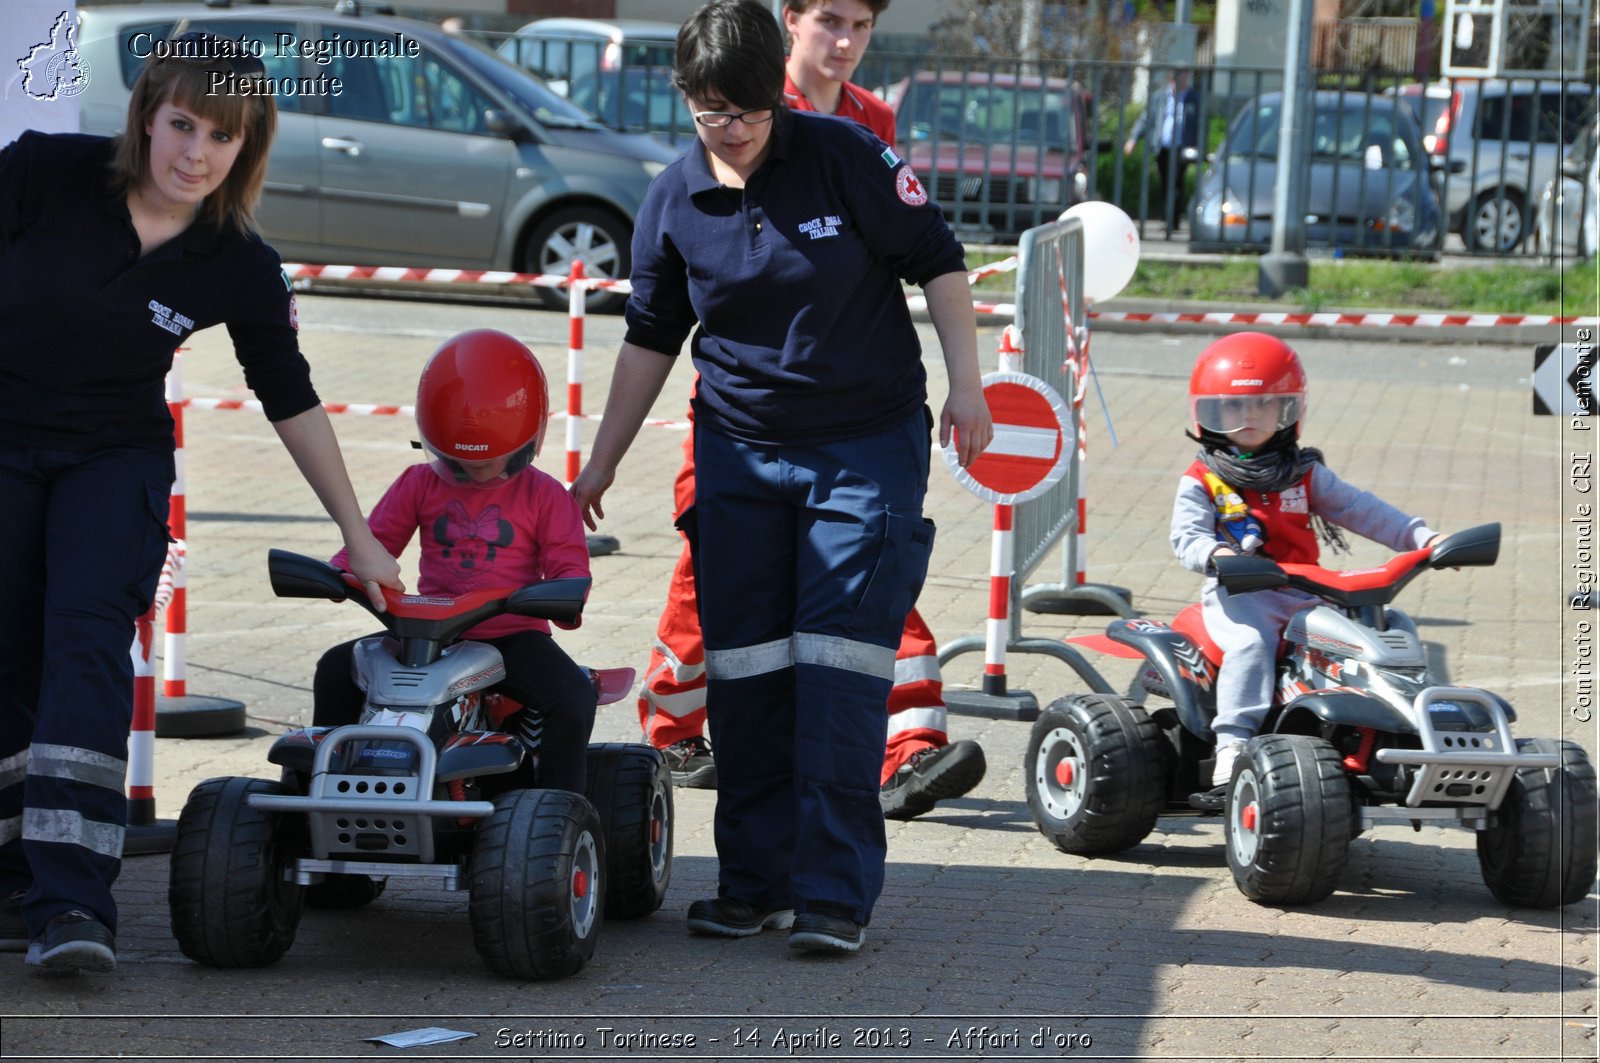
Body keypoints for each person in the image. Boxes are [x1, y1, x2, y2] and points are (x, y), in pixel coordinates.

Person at [572, 0, 992, 954]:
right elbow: (650, 335)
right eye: (715, 111)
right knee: (748, 668)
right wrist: (603, 457)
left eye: (754, 111)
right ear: (686, 99)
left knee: (839, 669)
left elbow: (940, 261)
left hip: (863, 444)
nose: (736, 130)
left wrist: (968, 388)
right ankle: (752, 882)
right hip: (740, 452)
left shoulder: (846, 157)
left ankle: (835, 895)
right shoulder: (673, 198)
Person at [0, 33, 403, 973]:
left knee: (86, 646)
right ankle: (14, 872)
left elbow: (290, 396)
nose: (195, 153)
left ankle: (72, 904)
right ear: (146, 115)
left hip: (114, 460)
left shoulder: (237, 261)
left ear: (246, 147)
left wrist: (360, 535)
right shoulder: (41, 175)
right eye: (182, 124)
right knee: (9, 648)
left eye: (222, 136)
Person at [311, 330, 596, 794]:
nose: (477, 472)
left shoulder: (545, 495)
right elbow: (372, 544)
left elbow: (569, 566)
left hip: (511, 636)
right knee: (335, 669)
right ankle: (316, 790)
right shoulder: (418, 483)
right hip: (425, 634)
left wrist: (562, 594)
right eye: (458, 462)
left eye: (492, 462)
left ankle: (563, 810)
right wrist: (342, 572)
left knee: (573, 696)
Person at [1170, 333, 1440, 800]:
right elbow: (1186, 537)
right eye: (1233, 407)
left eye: (1264, 404)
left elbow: (1361, 509)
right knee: (1252, 646)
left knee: (1385, 628)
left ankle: (1411, 731)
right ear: (1209, 412)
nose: (1249, 416)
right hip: (1240, 596)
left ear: (1288, 410)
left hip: (1303, 593)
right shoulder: (1202, 480)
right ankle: (1234, 743)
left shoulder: (1304, 472)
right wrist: (1216, 555)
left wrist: (1423, 538)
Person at [1123, 68, 1200, 227]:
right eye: (1179, 79)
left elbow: (1201, 125)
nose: (1182, 82)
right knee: (1165, 182)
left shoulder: (1194, 98)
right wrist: (1133, 139)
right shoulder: (1160, 97)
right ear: (1171, 79)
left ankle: (1173, 221)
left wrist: (1199, 147)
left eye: (1185, 78)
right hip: (1163, 147)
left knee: (1177, 182)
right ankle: (1169, 219)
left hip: (1182, 148)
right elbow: (1145, 119)